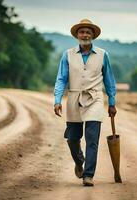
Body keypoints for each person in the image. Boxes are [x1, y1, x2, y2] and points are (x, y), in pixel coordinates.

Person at [53, 19, 117, 186]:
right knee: (72, 139)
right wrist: (57, 100)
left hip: (95, 99)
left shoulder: (103, 55)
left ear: (93, 35)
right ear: (77, 35)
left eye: (88, 32)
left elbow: (109, 80)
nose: (85, 35)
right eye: (82, 32)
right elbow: (61, 79)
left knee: (92, 139)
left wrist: (112, 102)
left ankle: (88, 175)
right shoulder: (68, 54)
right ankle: (79, 160)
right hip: (74, 98)